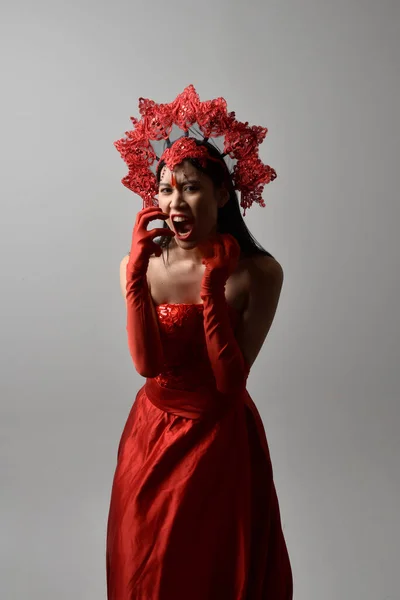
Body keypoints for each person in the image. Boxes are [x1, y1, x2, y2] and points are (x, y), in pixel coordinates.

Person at [106, 85, 293, 599]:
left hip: (220, 441)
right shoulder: (137, 266)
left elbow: (230, 383)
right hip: (151, 436)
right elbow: (147, 365)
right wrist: (135, 278)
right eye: (164, 189)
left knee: (214, 570)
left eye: (188, 187)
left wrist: (212, 290)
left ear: (222, 194)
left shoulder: (260, 274)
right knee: (146, 567)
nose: (173, 202)